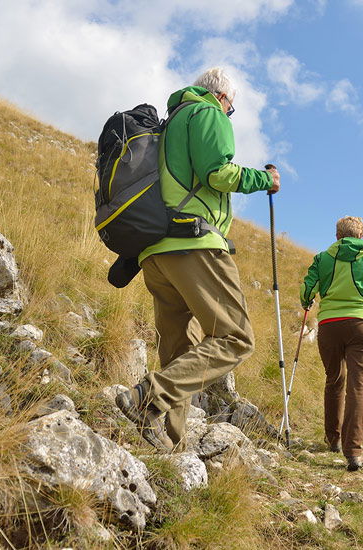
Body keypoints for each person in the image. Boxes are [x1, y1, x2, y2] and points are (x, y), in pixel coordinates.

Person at [116, 67, 280, 451]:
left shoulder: (170, 121)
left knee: (178, 350)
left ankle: (169, 445)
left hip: (156, 252)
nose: (230, 113)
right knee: (236, 338)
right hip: (194, 243)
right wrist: (264, 179)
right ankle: (149, 395)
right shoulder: (207, 113)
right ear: (223, 98)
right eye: (232, 108)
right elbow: (218, 174)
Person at [300, 216, 363, 471]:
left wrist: (308, 301)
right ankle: (353, 452)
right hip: (362, 326)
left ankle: (333, 439)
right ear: (362, 236)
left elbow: (307, 292)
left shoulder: (322, 258)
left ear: (337, 236)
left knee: (334, 380)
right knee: (358, 387)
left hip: (329, 325)